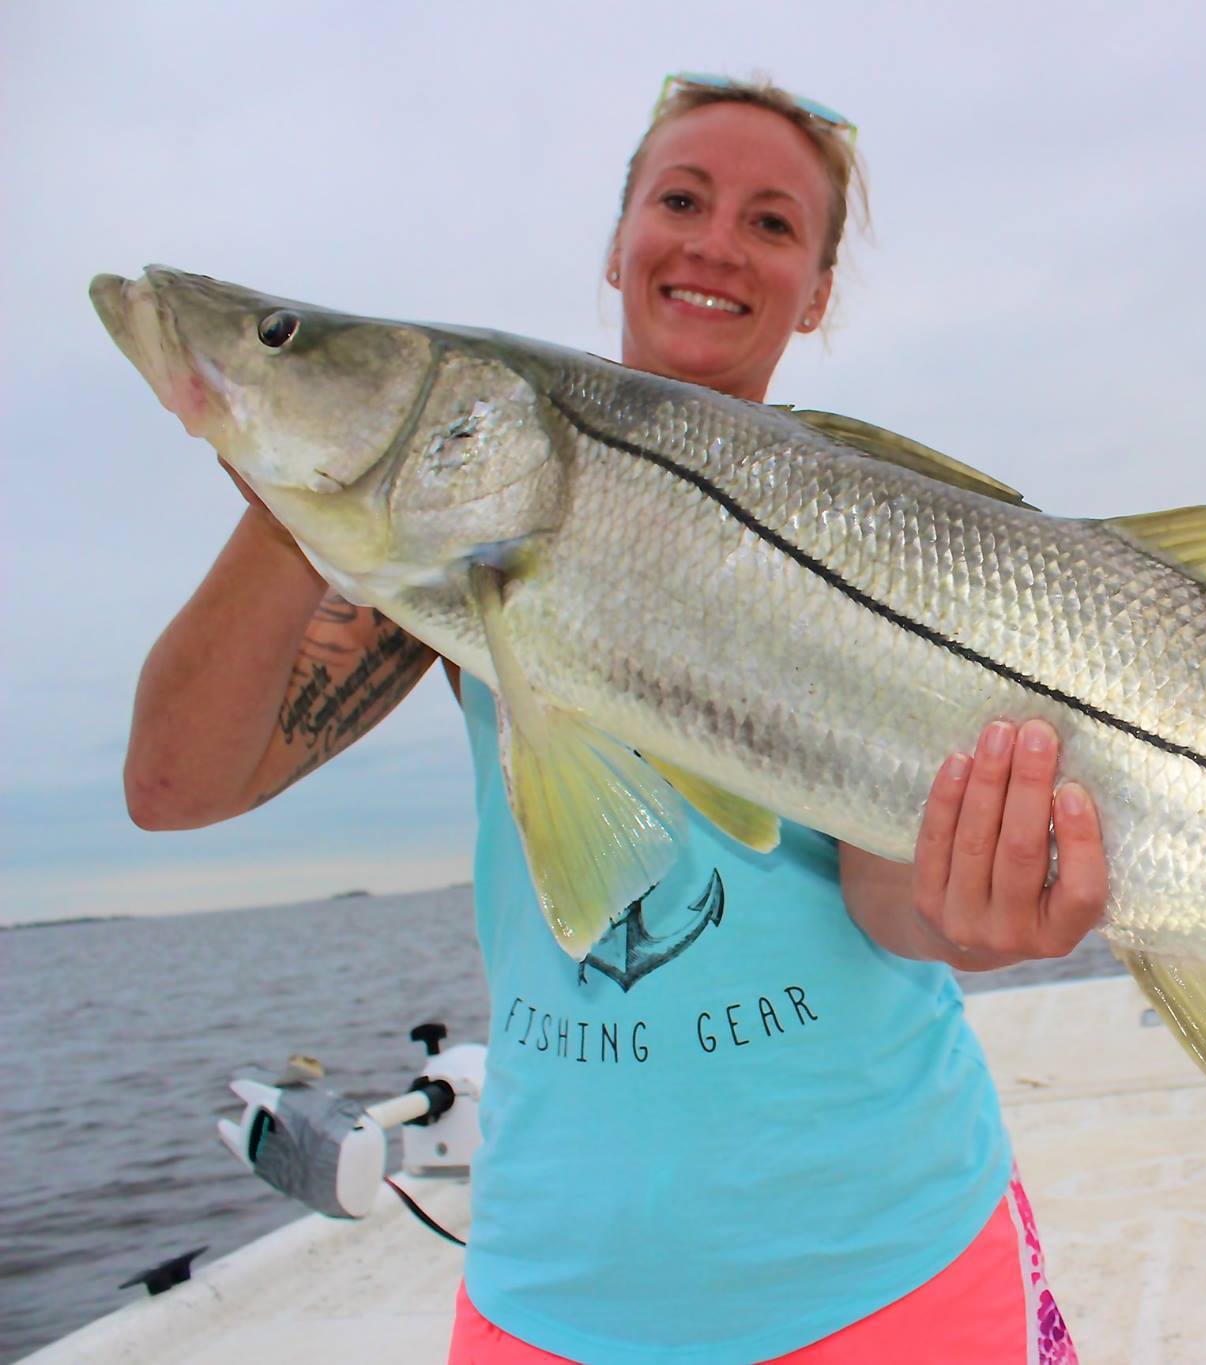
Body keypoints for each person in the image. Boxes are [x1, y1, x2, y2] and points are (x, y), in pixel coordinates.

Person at [126, 74, 1101, 1365]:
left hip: (888, 1258)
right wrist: (291, 464)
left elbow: (883, 892)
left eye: (771, 223)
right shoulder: (456, 525)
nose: (712, 242)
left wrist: (980, 917)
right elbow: (177, 786)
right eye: (680, 199)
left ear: (813, 291)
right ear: (619, 240)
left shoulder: (879, 548)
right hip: (561, 1287)